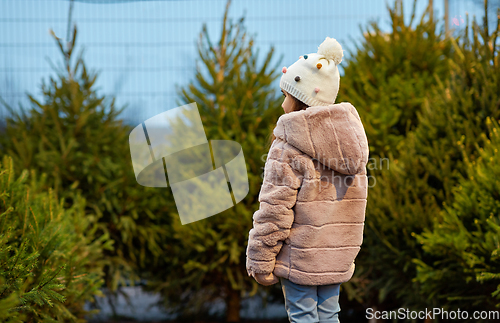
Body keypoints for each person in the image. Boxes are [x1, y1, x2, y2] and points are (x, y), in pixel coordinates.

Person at [246, 37, 369, 323]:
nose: (282, 102)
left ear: (301, 99)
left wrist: (261, 258)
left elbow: (274, 210)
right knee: (329, 316)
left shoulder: (287, 146)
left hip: (299, 257)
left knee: (302, 317)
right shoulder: (351, 142)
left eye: (286, 95)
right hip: (336, 257)